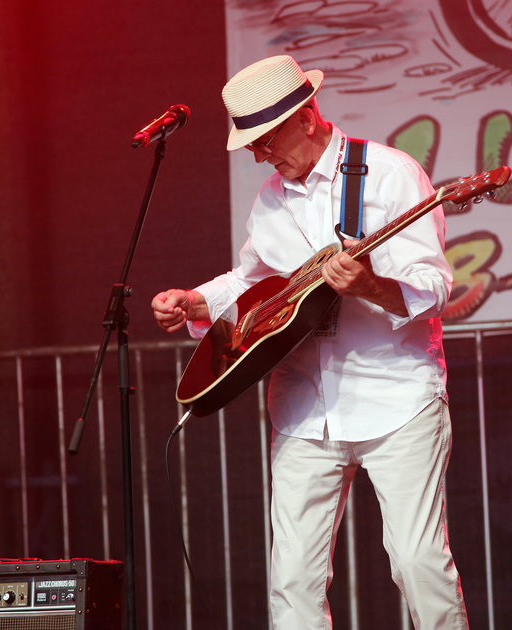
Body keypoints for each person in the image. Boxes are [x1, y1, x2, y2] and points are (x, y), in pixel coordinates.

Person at [151, 55, 469, 628]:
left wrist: (370, 286)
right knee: (292, 580)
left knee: (417, 562)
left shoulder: (390, 174)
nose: (259, 154)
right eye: (251, 144)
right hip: (303, 408)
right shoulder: (270, 199)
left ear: (305, 116)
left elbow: (433, 286)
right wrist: (195, 301)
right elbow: (252, 282)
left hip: (396, 400)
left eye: (265, 139)